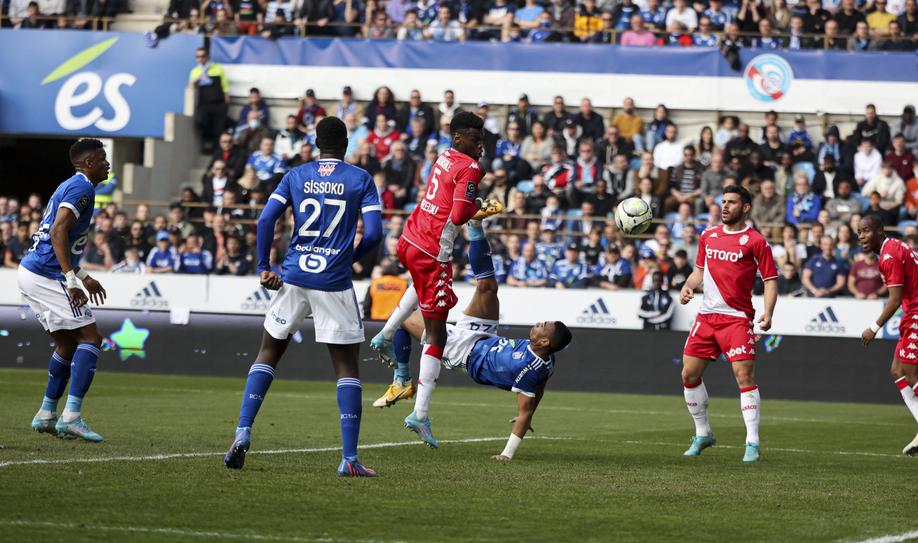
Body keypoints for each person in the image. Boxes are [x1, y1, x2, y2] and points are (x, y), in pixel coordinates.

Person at [223, 117, 384, 476]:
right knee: (346, 367)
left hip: (293, 275)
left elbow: (266, 220)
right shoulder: (360, 179)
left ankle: (242, 432)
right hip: (334, 280)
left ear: (316, 141)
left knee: (268, 351)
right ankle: (349, 459)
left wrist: (265, 264)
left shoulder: (296, 175)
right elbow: (373, 235)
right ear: (345, 143)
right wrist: (348, 259)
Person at [373, 218, 572, 458]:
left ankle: (402, 380)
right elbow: (539, 388)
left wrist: (507, 452)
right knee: (487, 287)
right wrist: (526, 414)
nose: (539, 323)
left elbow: (527, 405)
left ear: (544, 342)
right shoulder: (546, 362)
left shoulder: (528, 368)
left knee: (404, 317)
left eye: (543, 326)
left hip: (464, 354)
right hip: (484, 336)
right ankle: (475, 225)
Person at [368, 112, 500, 447]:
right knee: (436, 334)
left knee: (420, 289)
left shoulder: (444, 156)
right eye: (474, 138)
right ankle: (420, 414)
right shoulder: (470, 167)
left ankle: (385, 334)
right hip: (432, 251)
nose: (480, 145)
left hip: (410, 238)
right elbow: (458, 214)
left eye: (482, 138)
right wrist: (480, 209)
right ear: (458, 138)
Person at [678, 185, 778, 463]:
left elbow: (770, 281)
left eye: (732, 202)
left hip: (736, 319)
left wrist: (768, 313)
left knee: (744, 379)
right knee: (689, 375)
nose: (725, 206)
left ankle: (753, 443)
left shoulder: (756, 241)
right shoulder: (708, 235)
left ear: (745, 207)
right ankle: (703, 433)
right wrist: (688, 287)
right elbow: (699, 270)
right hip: (706, 318)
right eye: (723, 202)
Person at [19, 139, 110, 442]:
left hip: (33, 271)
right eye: (102, 159)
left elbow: (58, 237)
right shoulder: (81, 189)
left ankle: (46, 413)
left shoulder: (72, 186)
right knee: (91, 338)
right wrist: (72, 280)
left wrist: (83, 275)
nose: (107, 164)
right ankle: (71, 416)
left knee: (67, 345)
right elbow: (58, 231)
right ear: (88, 164)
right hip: (47, 274)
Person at [857, 214, 918, 455]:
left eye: (865, 231)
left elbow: (893, 300)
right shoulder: (896, 246)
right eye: (858, 232)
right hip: (911, 312)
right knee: (897, 370)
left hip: (915, 312)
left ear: (879, 231)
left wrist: (873, 327)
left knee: (912, 373)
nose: (861, 236)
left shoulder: (889, 255)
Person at [188, 48, 229, 153]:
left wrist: (226, 102)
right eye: (198, 56)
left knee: (218, 129)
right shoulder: (195, 71)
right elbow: (191, 87)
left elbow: (225, 87)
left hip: (218, 104)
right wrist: (197, 79)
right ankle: (207, 143)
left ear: (207, 57)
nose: (200, 59)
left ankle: (215, 150)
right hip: (204, 104)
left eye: (202, 56)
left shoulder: (217, 68)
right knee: (202, 122)